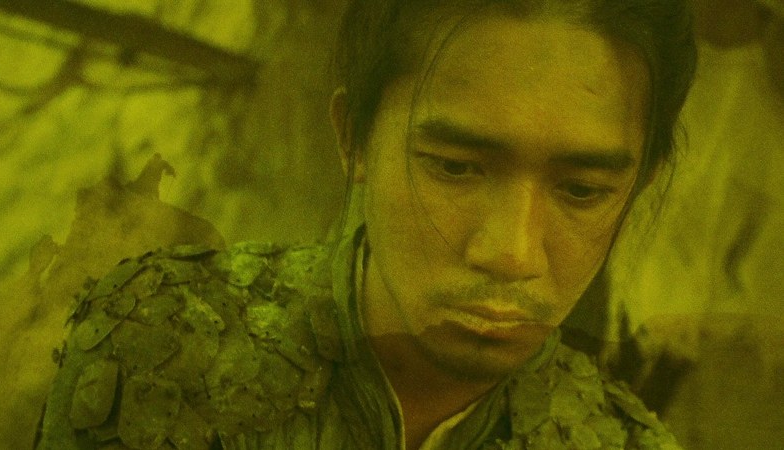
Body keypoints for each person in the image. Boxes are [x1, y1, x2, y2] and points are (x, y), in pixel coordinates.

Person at [34, 0, 697, 448]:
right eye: (455, 168)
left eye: (582, 190)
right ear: (353, 137)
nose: (511, 253)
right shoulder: (163, 345)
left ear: (639, 184)